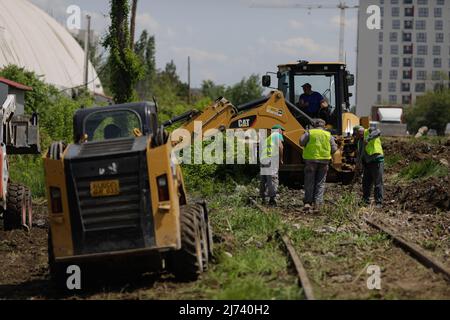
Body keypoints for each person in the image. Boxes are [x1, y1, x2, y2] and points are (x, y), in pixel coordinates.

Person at [300, 119, 337, 210]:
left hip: (311, 161)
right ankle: (317, 203)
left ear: (314, 125)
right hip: (324, 161)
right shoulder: (328, 135)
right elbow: (334, 149)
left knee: (309, 181)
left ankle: (308, 203)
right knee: (320, 183)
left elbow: (301, 142)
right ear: (324, 126)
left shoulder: (310, 132)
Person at [354, 125, 384, 208]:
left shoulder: (370, 130)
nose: (356, 136)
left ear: (360, 131)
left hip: (376, 160)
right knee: (366, 183)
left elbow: (378, 132)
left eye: (357, 134)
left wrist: (368, 138)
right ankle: (365, 200)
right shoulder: (359, 141)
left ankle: (379, 202)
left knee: (378, 183)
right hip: (367, 163)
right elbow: (360, 154)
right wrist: (358, 164)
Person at [260, 124, 285, 206]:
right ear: (279, 130)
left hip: (263, 160)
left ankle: (263, 198)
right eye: (282, 131)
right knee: (273, 179)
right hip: (271, 159)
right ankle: (272, 199)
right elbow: (280, 147)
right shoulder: (277, 135)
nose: (283, 133)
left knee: (264, 179)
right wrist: (281, 159)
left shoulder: (268, 138)